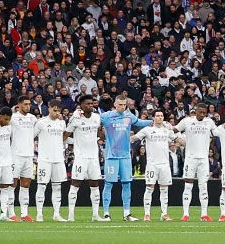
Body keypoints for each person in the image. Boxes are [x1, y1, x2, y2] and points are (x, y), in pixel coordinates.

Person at [98, 94, 152, 222]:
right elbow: (93, 120)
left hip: (125, 156)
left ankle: (127, 214)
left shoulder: (129, 116)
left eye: (124, 105)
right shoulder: (106, 117)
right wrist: (80, 113)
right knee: (109, 184)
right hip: (111, 156)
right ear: (115, 104)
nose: (123, 107)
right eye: (120, 104)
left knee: (127, 184)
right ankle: (106, 213)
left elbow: (140, 122)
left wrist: (154, 121)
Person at [175, 102, 217, 220]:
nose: (202, 114)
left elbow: (217, 132)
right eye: (200, 112)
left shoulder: (209, 122)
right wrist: (177, 138)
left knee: (203, 186)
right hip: (190, 158)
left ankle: (204, 214)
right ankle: (185, 214)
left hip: (203, 159)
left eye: (205, 113)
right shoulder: (187, 121)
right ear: (195, 111)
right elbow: (173, 130)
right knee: (188, 186)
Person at [135, 110, 176, 220]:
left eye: (161, 116)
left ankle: (164, 214)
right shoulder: (148, 130)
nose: (160, 117)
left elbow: (176, 138)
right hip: (152, 164)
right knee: (149, 188)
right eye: (157, 116)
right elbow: (135, 138)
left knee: (164, 190)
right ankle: (147, 214)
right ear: (153, 118)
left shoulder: (167, 130)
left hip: (165, 164)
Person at [68, 96, 104, 220]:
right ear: (81, 105)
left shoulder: (97, 118)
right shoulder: (75, 119)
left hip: (93, 157)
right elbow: (66, 134)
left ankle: (95, 215)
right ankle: (71, 215)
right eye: (87, 104)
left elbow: (99, 133)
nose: (90, 106)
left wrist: (101, 137)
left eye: (92, 103)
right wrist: (73, 143)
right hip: (80, 157)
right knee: (75, 184)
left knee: (95, 184)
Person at [36, 100, 70, 222]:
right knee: (41, 186)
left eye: (58, 111)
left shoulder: (62, 123)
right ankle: (39, 214)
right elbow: (33, 136)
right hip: (44, 159)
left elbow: (64, 139)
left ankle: (56, 214)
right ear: (49, 108)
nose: (56, 113)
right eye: (54, 110)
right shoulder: (41, 122)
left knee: (57, 187)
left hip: (58, 159)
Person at [9, 97, 39, 222]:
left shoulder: (33, 118)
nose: (28, 106)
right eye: (25, 104)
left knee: (26, 184)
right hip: (16, 154)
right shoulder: (13, 118)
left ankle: (24, 213)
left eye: (29, 104)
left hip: (29, 155)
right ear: (19, 105)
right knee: (12, 184)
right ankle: (10, 213)